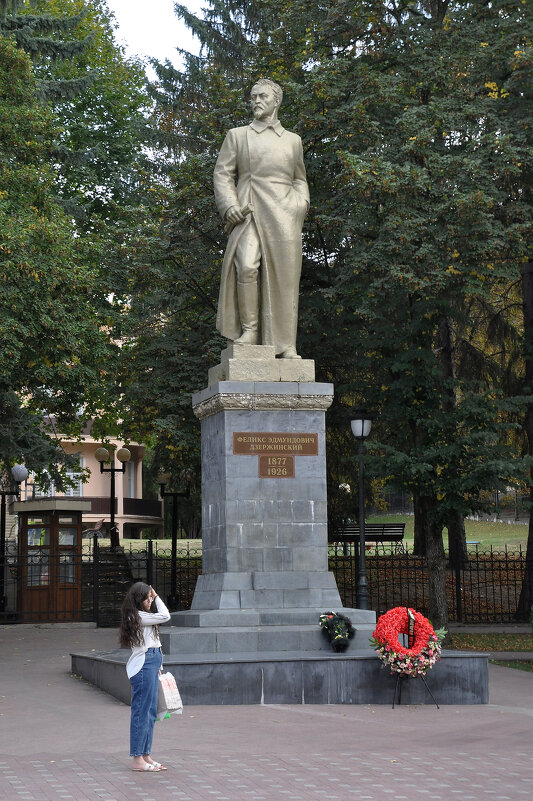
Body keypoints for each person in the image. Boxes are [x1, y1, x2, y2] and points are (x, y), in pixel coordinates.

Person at [214, 78, 310, 358]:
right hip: (250, 210)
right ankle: (250, 330)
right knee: (245, 266)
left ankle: (286, 346)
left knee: (285, 280)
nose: (256, 101)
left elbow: (299, 179)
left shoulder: (293, 141)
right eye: (253, 96)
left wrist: (301, 204)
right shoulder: (237, 135)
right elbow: (222, 174)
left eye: (262, 96)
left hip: (285, 214)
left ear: (276, 101)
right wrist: (229, 204)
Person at [119, 582, 171, 772]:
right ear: (138, 599)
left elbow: (154, 642)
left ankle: (145, 755)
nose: (150, 601)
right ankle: (137, 759)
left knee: (149, 712)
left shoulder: (145, 616)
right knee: (141, 712)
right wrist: (157, 597)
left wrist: (158, 665)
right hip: (143, 666)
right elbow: (166, 615)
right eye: (147, 598)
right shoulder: (137, 615)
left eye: (151, 597)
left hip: (151, 663)